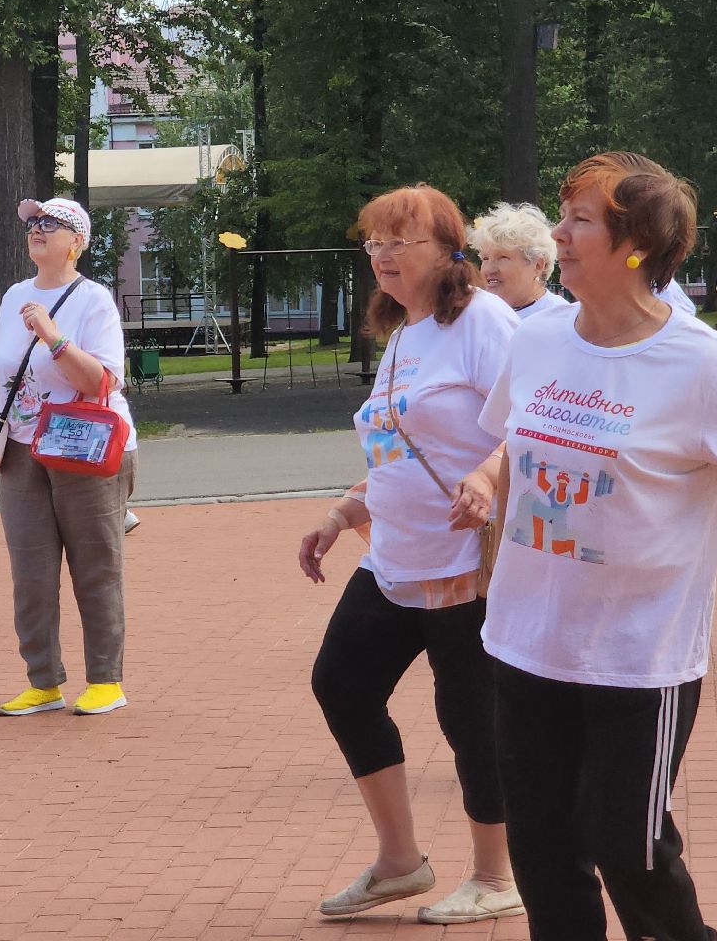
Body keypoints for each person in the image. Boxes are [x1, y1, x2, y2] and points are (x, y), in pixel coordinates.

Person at [451, 151, 717, 940]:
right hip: (524, 645)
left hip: (637, 659)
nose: (560, 234)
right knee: (543, 855)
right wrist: (495, 571)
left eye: (579, 221)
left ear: (636, 244)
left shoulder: (699, 362)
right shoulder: (537, 342)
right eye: (563, 216)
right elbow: (515, 456)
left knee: (630, 851)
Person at [296, 184, 523, 924]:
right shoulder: (404, 332)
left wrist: (488, 481)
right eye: (374, 242)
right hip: (393, 555)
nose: (383, 256)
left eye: (401, 241)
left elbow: (533, 428)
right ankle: (400, 862)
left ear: (450, 249)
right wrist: (343, 511)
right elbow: (400, 447)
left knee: (471, 721)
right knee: (342, 684)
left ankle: (496, 877)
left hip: (468, 562)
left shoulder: (485, 323)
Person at [0, 197, 138, 718]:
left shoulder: (93, 300)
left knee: (95, 568)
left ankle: (105, 679)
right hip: (21, 448)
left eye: (50, 223)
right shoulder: (16, 294)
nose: (37, 229)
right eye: (33, 223)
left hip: (84, 446)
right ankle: (43, 681)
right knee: (30, 572)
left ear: (76, 241)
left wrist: (54, 338)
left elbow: (102, 382)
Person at [469, 202, 566, 318]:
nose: (489, 269)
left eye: (503, 257)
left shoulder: (560, 318)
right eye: (485, 258)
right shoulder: (479, 315)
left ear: (538, 265)